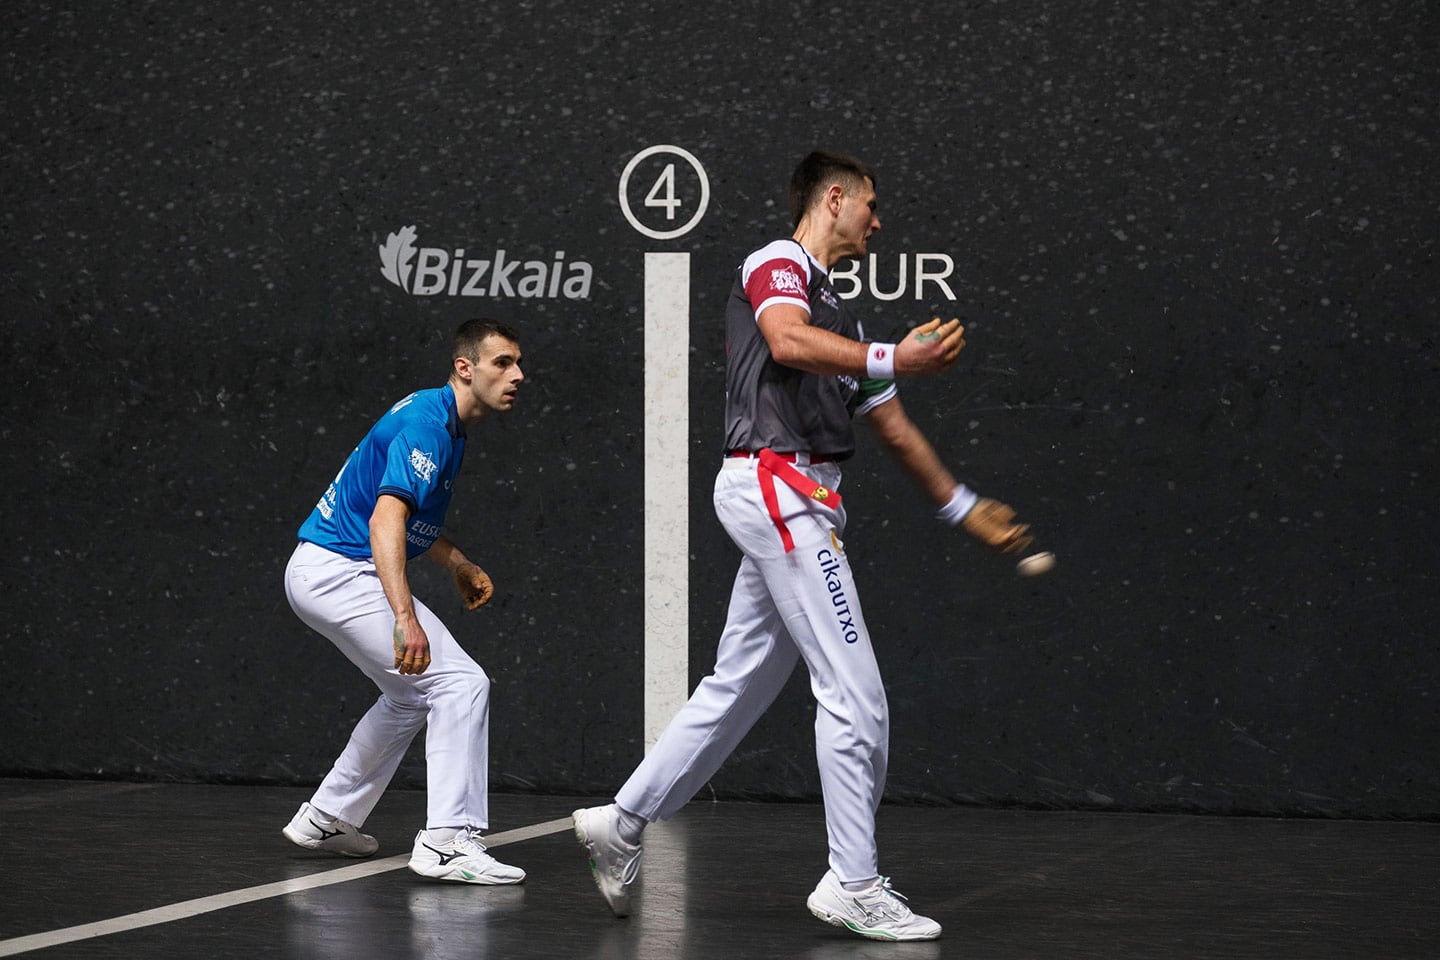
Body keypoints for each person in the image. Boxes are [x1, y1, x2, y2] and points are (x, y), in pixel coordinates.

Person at [573, 151, 1034, 941]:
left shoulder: (846, 324)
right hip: (776, 489)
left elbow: (893, 427)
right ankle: (852, 881)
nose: (879, 222)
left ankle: (620, 822)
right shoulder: (776, 263)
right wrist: (896, 355)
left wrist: (962, 506)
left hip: (801, 501)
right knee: (855, 694)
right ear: (834, 199)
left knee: (738, 686)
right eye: (871, 205)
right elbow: (786, 341)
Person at [280, 318, 528, 885]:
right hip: (340, 572)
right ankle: (447, 842)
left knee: (408, 695)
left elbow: (404, 514)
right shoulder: (427, 428)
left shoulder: (439, 419)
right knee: (460, 683)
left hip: (319, 570)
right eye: (503, 363)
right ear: (465, 367)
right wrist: (404, 616)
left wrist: (457, 562)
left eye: (518, 363)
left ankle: (327, 816)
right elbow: (384, 519)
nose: (518, 375)